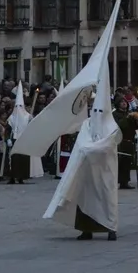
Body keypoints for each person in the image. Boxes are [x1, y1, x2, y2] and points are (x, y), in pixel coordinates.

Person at [43, 59, 120, 241]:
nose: (97, 113)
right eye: (95, 110)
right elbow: (82, 141)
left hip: (104, 170)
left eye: (101, 110)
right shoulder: (87, 123)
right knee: (85, 199)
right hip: (87, 170)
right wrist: (86, 150)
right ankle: (86, 229)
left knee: (106, 199)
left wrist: (89, 149)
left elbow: (107, 144)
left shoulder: (111, 126)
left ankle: (110, 227)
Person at [3, 82, 33, 184]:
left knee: (23, 160)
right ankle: (12, 177)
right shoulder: (11, 118)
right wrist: (7, 139)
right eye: (17, 106)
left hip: (23, 140)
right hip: (14, 140)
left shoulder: (28, 117)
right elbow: (7, 130)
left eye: (21, 106)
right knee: (13, 160)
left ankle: (21, 177)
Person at [112, 98, 138, 189]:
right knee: (120, 162)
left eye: (125, 102)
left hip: (130, 140)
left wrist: (137, 120)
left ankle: (125, 181)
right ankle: (119, 181)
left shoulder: (129, 113)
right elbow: (119, 125)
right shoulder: (115, 114)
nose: (124, 103)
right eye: (121, 102)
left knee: (128, 162)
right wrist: (127, 118)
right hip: (121, 141)